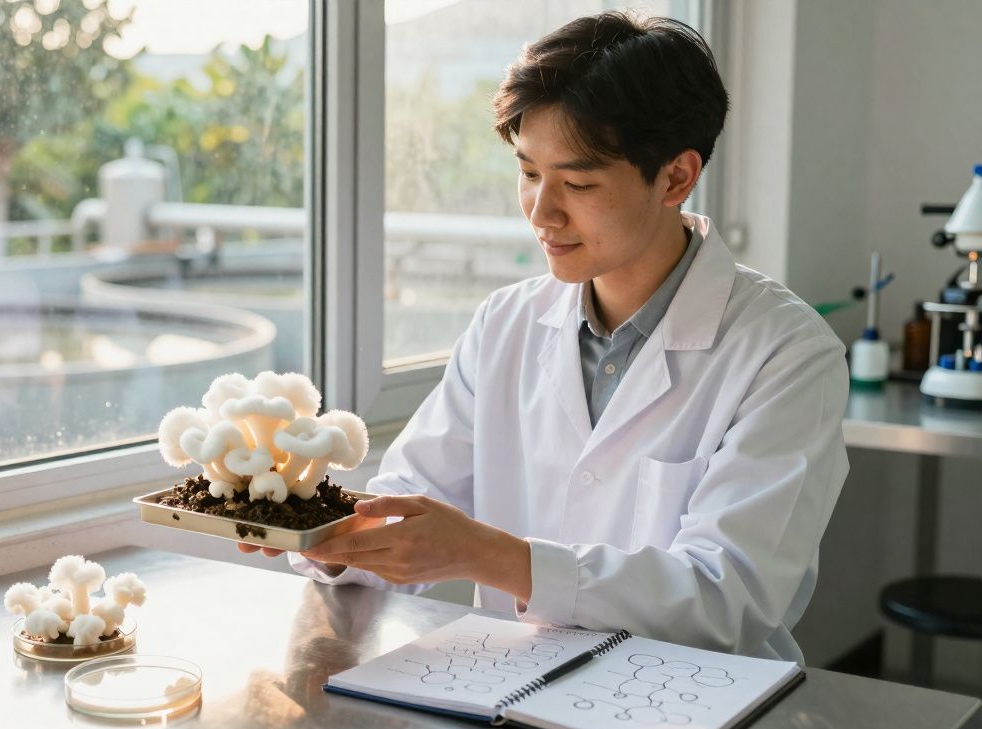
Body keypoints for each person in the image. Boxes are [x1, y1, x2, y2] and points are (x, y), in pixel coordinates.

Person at [240, 11, 848, 663]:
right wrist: (324, 533)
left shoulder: (786, 354)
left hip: (690, 705)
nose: (541, 211)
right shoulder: (507, 323)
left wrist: (489, 554)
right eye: (529, 172)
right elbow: (414, 500)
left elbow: (728, 599)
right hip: (511, 690)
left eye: (578, 183)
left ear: (676, 177)